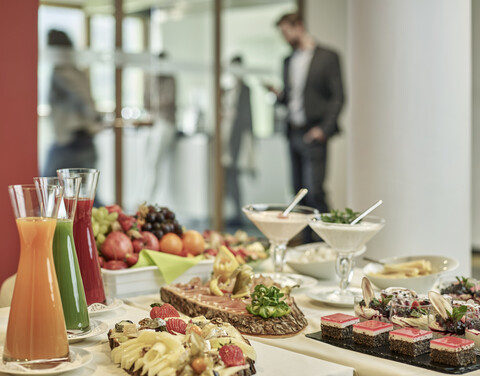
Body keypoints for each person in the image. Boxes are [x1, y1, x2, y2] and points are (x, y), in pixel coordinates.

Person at [267, 13, 344, 216]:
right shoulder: (288, 60)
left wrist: (324, 130)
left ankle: (325, 243)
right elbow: (292, 98)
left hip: (314, 132)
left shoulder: (327, 57)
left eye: (285, 31)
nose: (284, 37)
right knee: (297, 192)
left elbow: (338, 97)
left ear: (299, 27)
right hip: (293, 131)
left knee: (315, 192)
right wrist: (278, 95)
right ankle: (307, 244)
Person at [43, 29, 102, 178]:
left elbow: (83, 100)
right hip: (81, 138)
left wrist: (94, 119)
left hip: (71, 140)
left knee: (47, 189)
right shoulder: (77, 72)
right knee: (85, 192)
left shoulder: (62, 74)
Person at [221, 56, 255, 225]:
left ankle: (238, 214)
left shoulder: (246, 90)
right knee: (227, 178)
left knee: (234, 176)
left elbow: (246, 118)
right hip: (226, 138)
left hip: (237, 140)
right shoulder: (228, 89)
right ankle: (232, 212)